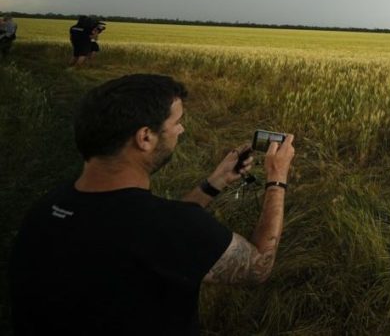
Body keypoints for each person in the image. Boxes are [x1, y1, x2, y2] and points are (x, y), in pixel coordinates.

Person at [9, 74, 296, 335]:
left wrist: (214, 182)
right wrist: (277, 179)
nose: (181, 130)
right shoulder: (168, 229)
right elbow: (258, 266)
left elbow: (159, 230)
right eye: (176, 122)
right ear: (145, 137)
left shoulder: (46, 209)